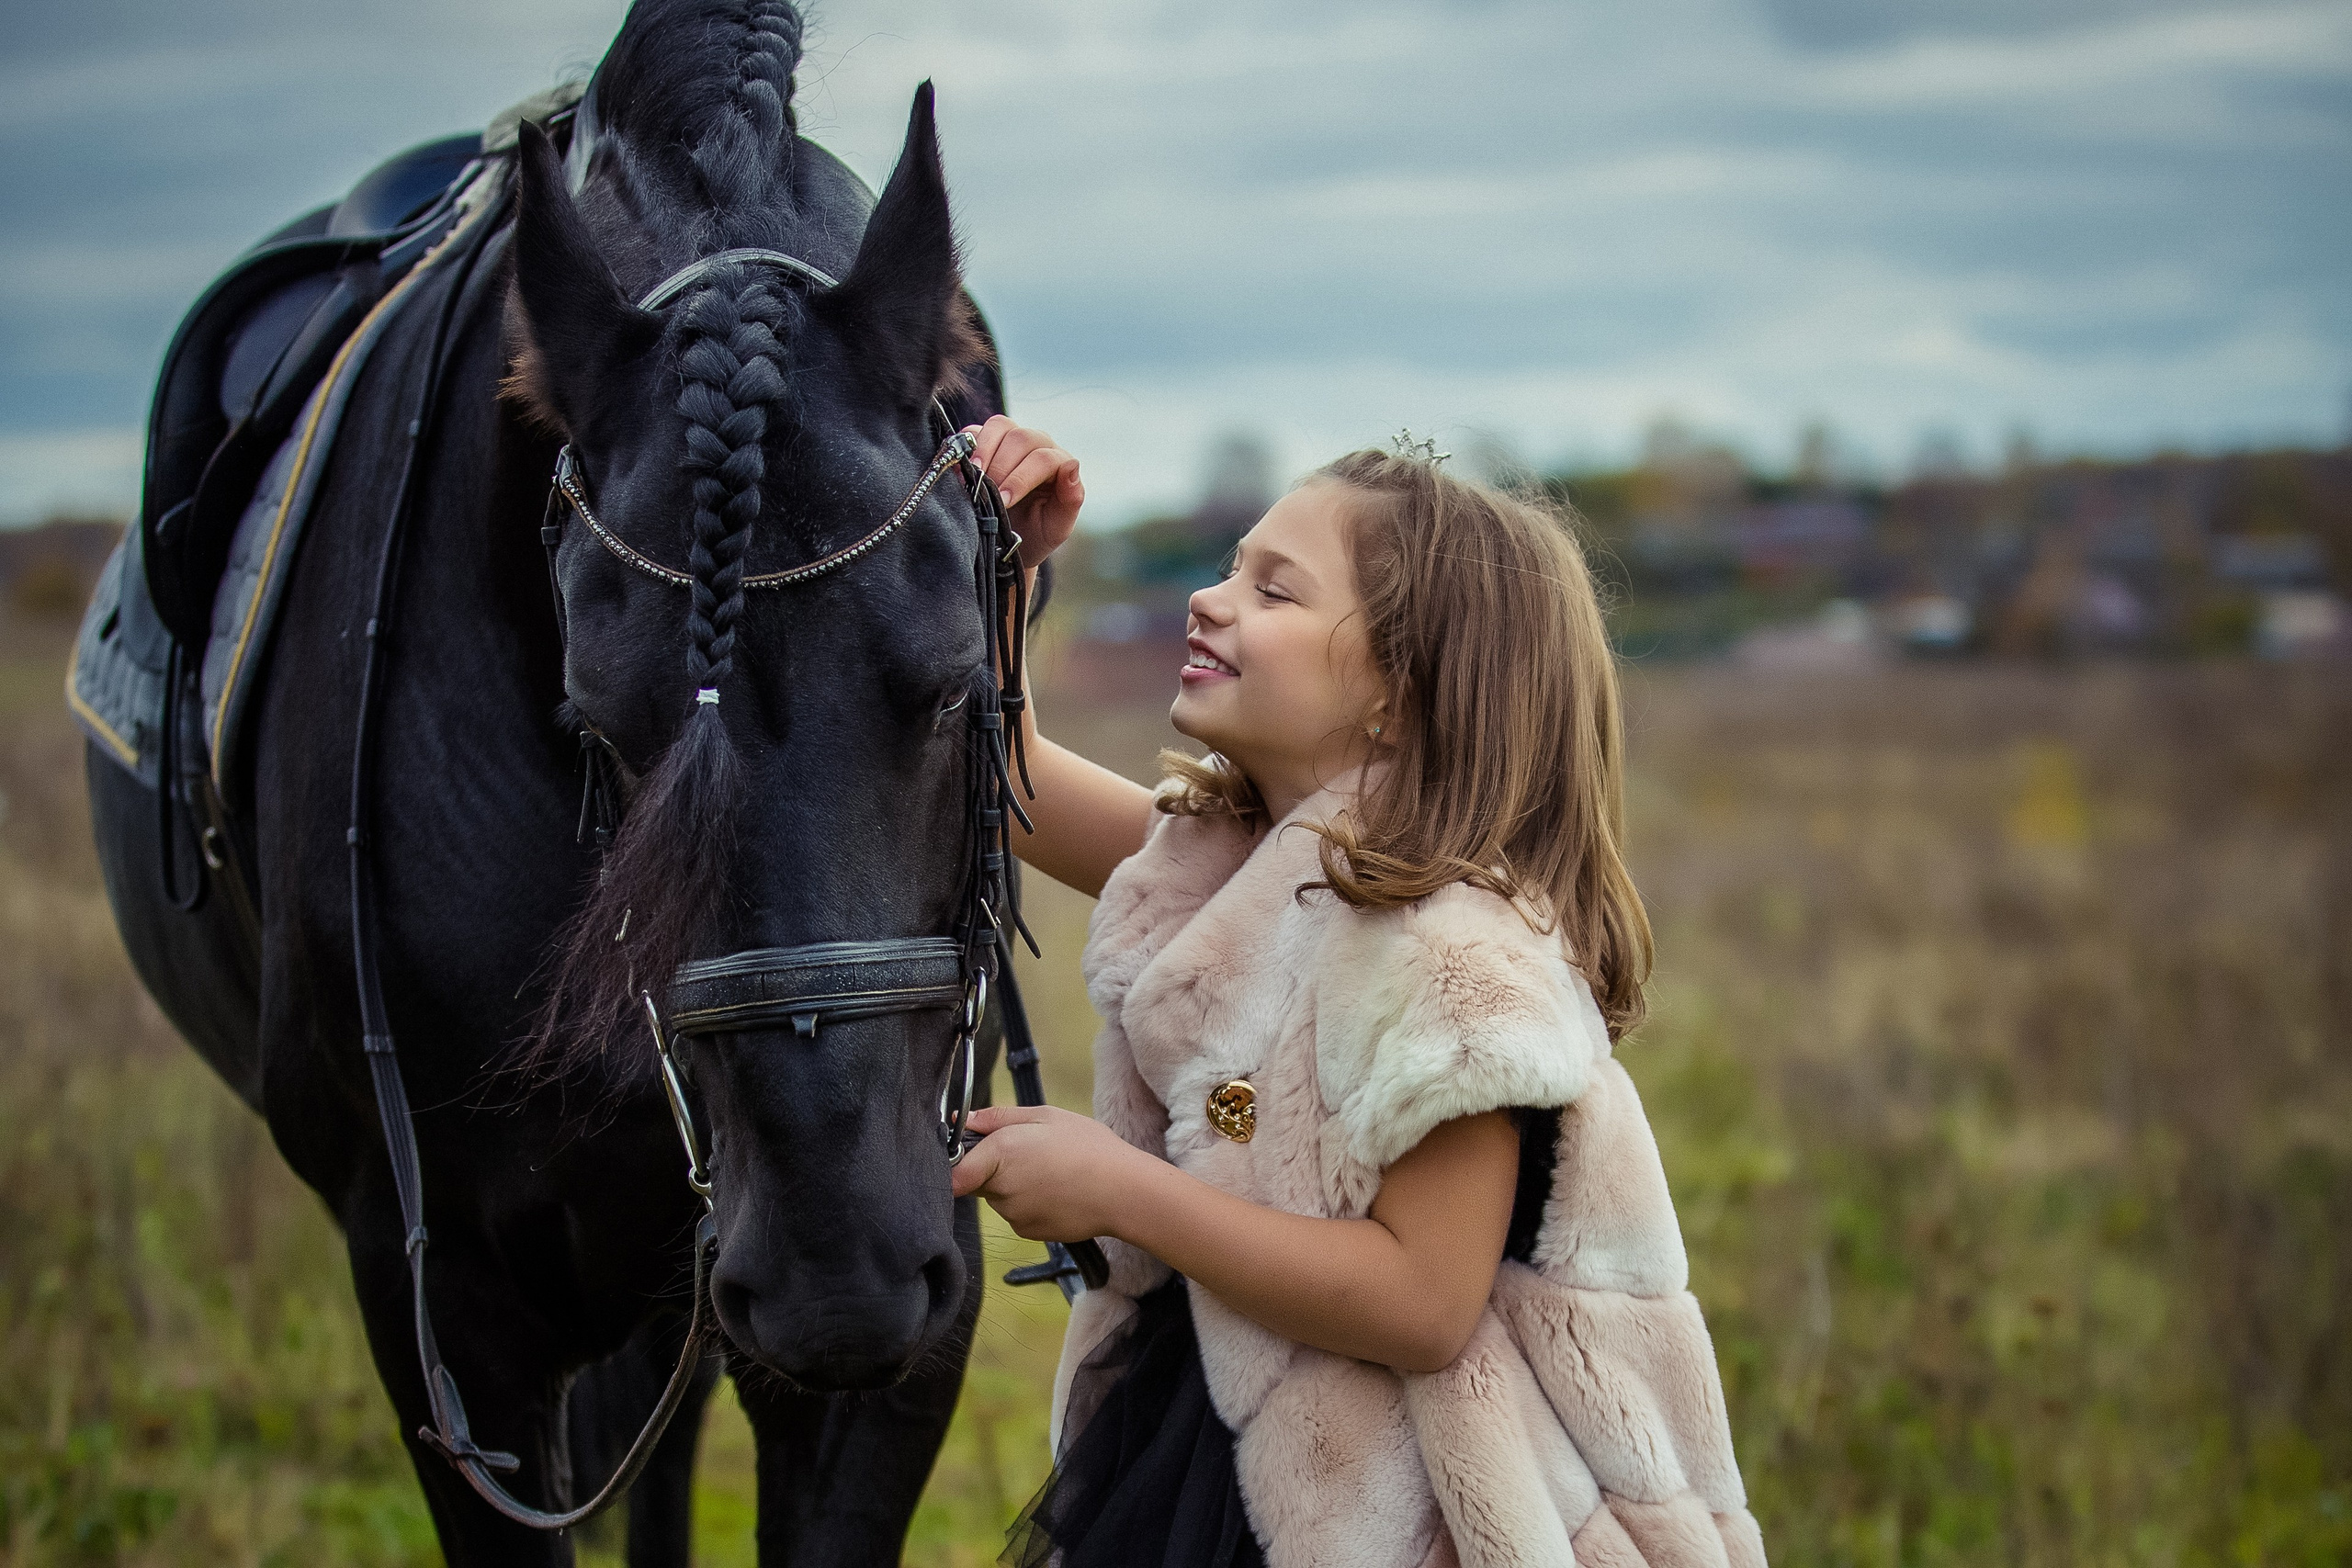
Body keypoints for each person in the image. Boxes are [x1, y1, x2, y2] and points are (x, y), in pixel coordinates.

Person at [953, 417, 1765, 1568]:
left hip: (1403, 1514)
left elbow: (1422, 1304)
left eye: (1274, 592)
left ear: (1399, 694)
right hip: (1233, 1452)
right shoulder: (1246, 870)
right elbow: (1005, 773)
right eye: (1231, 566)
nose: (1209, 599)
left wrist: (1119, 1189)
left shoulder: (1451, 956)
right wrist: (1000, 563)